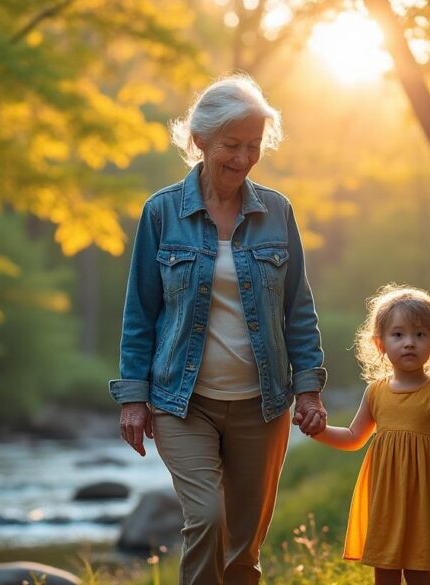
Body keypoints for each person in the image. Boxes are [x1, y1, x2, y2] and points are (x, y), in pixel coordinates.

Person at [108, 74, 328, 585]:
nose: (244, 158)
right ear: (201, 139)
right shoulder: (162, 212)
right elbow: (140, 311)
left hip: (263, 402)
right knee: (207, 519)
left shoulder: (277, 211)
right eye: (232, 145)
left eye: (254, 146)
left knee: (243, 547)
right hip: (183, 402)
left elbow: (298, 306)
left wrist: (310, 389)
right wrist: (133, 398)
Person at [307, 285, 430, 585]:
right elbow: (354, 436)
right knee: (386, 568)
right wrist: (320, 433)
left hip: (424, 497)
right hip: (385, 498)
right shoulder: (375, 392)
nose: (409, 343)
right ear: (380, 344)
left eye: (420, 334)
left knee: (419, 568)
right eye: (398, 335)